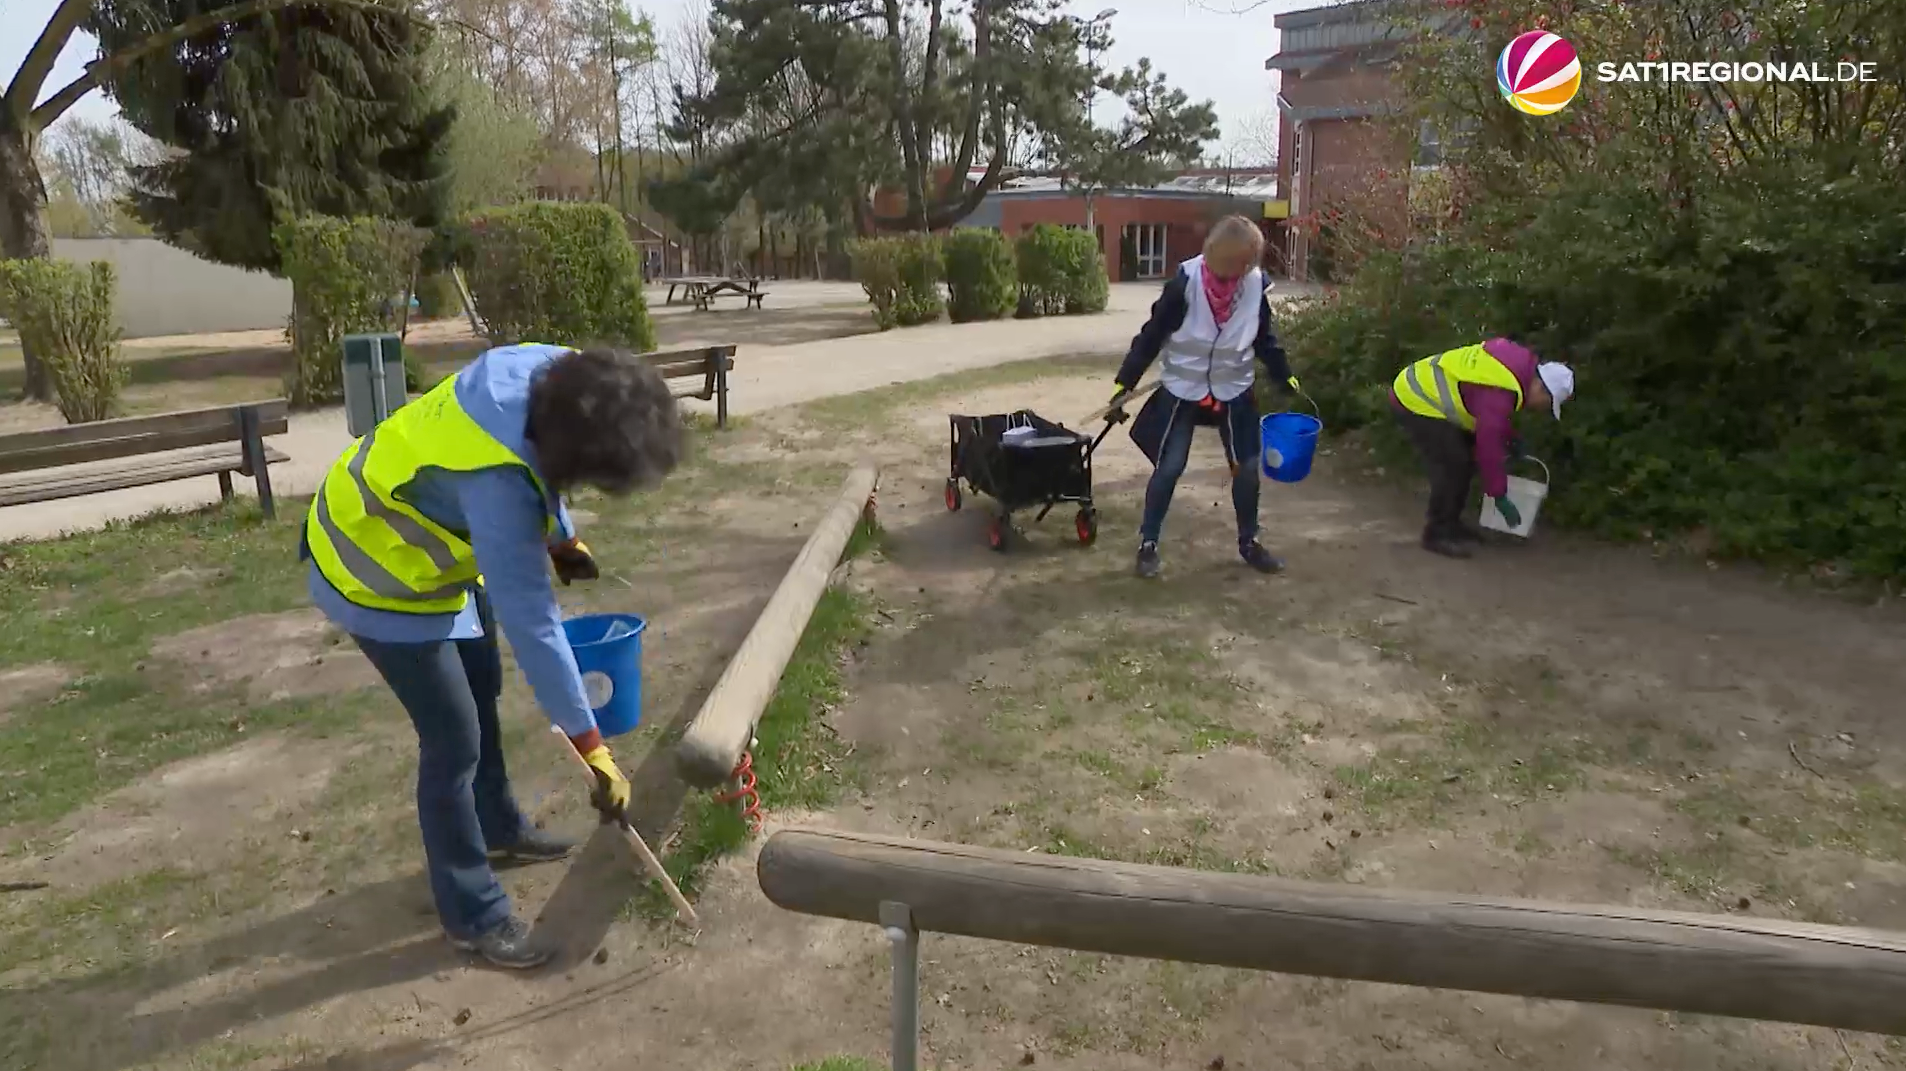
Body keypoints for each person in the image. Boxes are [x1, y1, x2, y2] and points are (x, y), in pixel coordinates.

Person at [301, 343, 685, 968]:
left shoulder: (555, 373)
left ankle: (500, 827)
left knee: (481, 683)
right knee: (452, 738)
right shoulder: (499, 490)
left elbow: (545, 468)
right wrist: (594, 749)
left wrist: (563, 538)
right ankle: (472, 915)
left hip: (438, 550)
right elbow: (534, 625)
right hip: (374, 567)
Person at [1108, 215, 1301, 580]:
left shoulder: (1256, 286)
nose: (1227, 277)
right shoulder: (1185, 284)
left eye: (1237, 270)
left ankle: (1250, 542)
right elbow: (1151, 335)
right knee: (1170, 466)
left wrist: (1283, 373)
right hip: (1184, 388)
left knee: (1246, 468)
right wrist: (1125, 381)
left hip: (1234, 390)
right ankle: (1147, 544)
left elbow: (1264, 338)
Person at [1389, 338, 1574, 558]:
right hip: (1415, 396)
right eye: (1546, 403)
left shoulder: (1515, 369)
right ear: (1541, 388)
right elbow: (1488, 444)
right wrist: (1499, 495)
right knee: (1454, 464)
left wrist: (1509, 438)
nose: (1540, 409)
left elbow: (1488, 412)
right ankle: (1436, 533)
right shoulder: (1501, 388)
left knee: (1463, 460)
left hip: (1424, 388)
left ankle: (1451, 524)